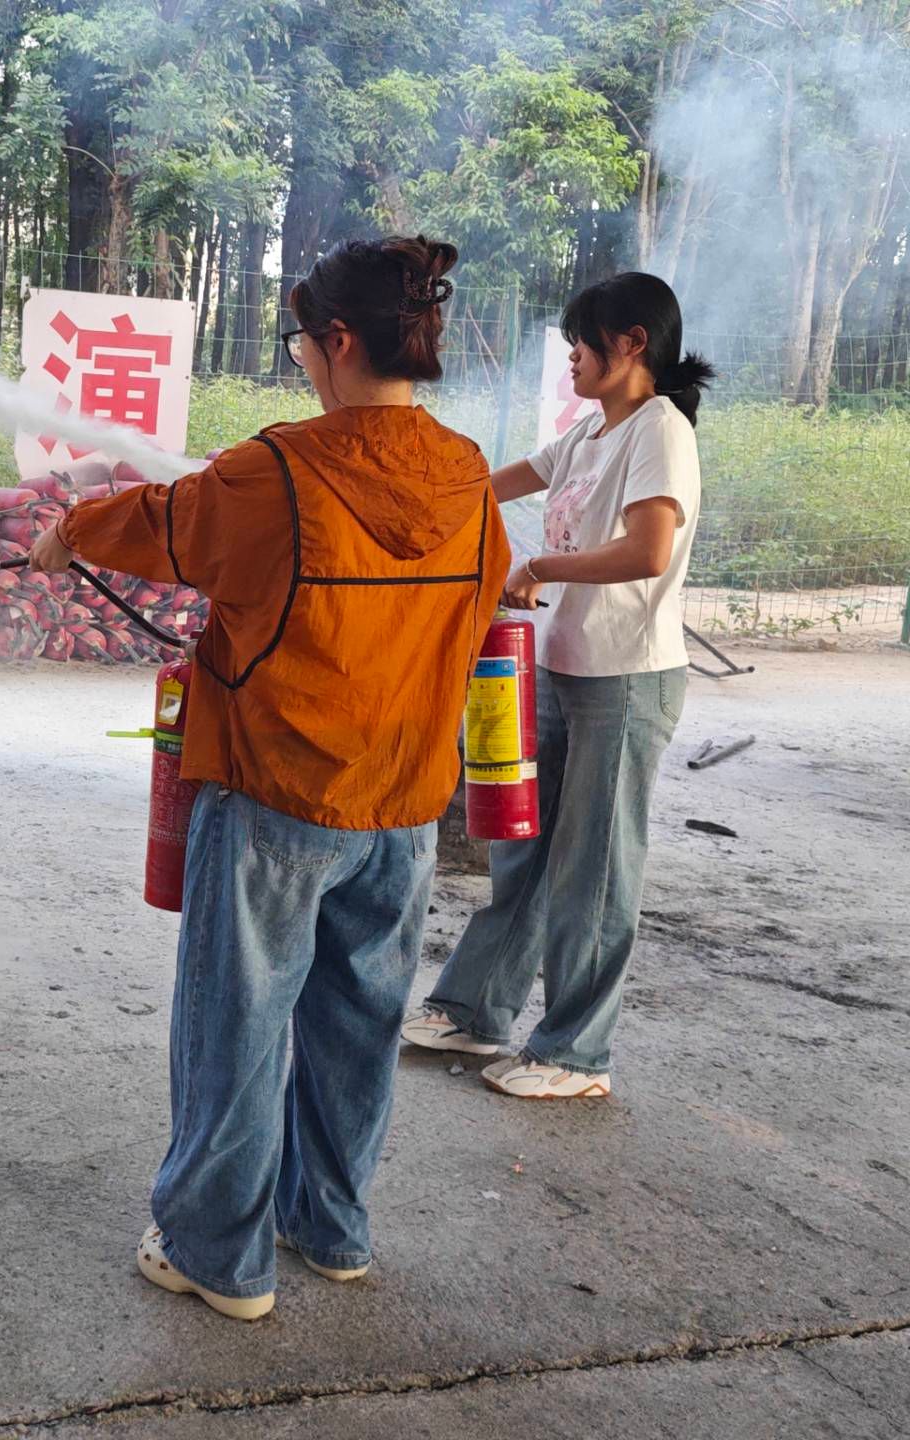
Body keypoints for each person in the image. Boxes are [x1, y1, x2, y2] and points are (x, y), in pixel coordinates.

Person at [31, 235, 512, 1321]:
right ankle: (331, 1230)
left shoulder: (282, 469)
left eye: (301, 341)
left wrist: (72, 531)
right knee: (358, 1028)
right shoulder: (467, 472)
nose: (301, 359)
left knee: (237, 1030)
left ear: (338, 339)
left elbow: (166, 522)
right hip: (403, 809)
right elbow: (482, 600)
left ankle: (217, 1254)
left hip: (276, 800)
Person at [402, 272, 715, 1100]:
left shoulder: (659, 430)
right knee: (524, 847)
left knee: (594, 870)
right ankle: (475, 1010)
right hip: (561, 665)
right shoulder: (589, 433)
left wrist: (536, 567)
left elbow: (647, 552)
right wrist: (414, 492)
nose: (571, 354)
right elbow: (496, 484)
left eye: (583, 339)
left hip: (626, 679)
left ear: (632, 343)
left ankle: (577, 1054)